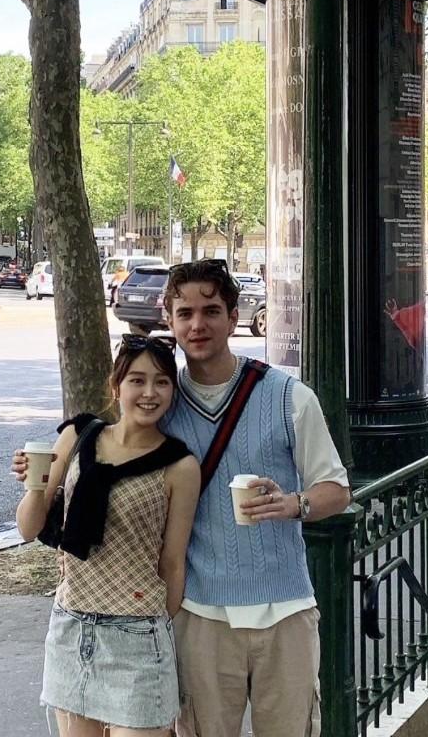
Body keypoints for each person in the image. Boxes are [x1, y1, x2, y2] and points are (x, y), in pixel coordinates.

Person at [160, 258, 351, 737]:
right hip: (200, 613)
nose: (197, 324)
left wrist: (295, 505)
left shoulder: (288, 396)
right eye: (185, 313)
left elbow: (337, 490)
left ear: (233, 314)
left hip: (285, 608)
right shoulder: (160, 406)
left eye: (210, 311)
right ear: (170, 321)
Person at [12, 335, 201, 737]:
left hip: (138, 638)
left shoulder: (180, 465)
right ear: (116, 387)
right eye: (137, 380)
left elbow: (172, 562)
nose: (149, 393)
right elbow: (28, 528)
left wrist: (157, 626)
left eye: (162, 382)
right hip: (71, 626)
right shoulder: (79, 437)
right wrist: (33, 482)